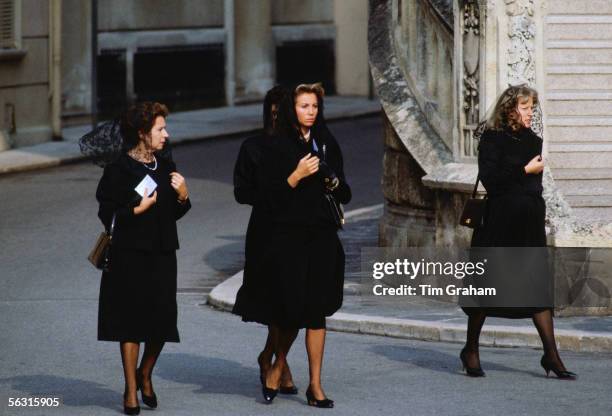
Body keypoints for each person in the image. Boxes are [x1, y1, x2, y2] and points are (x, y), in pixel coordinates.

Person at [460, 85, 576, 379]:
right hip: (498, 225)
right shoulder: (491, 139)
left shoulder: (533, 140)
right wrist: (524, 171)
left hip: (528, 227)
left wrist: (533, 196)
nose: (530, 113)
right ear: (510, 108)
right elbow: (492, 181)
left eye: (532, 107)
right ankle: (471, 349)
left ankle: (551, 355)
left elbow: (533, 188)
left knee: (537, 290)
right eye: (525, 107)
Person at [257, 83, 351, 407]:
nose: (310, 112)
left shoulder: (325, 141)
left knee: (316, 311)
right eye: (303, 106)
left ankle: (315, 385)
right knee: (291, 310)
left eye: (314, 106)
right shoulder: (279, 145)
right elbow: (268, 199)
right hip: (289, 237)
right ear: (291, 110)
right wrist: (295, 176)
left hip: (322, 235)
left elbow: (345, 192)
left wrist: (333, 180)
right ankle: (277, 366)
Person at [96, 102, 191, 414]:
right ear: (142, 133)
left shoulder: (164, 165)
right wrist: (136, 210)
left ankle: (146, 372)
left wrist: (183, 196)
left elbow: (172, 213)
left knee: (162, 321)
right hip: (129, 254)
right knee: (131, 323)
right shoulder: (118, 170)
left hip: (162, 252)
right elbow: (106, 212)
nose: (166, 134)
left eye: (165, 128)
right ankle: (131, 390)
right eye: (160, 129)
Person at [231, 86, 299, 394]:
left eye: (279, 109)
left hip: (298, 229)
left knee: (295, 302)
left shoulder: (301, 145)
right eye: (270, 109)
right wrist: (272, 193)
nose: (274, 115)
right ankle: (278, 364)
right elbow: (241, 192)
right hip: (265, 229)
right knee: (274, 301)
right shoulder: (252, 146)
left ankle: (273, 358)